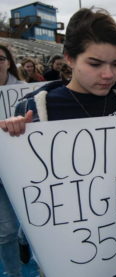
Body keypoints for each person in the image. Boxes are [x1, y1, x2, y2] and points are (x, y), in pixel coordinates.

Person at [0, 8, 116, 277]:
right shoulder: (36, 108)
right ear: (69, 58)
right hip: (67, 253)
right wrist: (13, 138)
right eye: (95, 64)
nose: (108, 74)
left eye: (115, 64)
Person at [0, 43, 27, 277]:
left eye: (0, 58)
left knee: (31, 228)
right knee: (6, 231)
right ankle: (13, 274)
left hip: (23, 169)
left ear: (8, 61)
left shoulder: (27, 91)